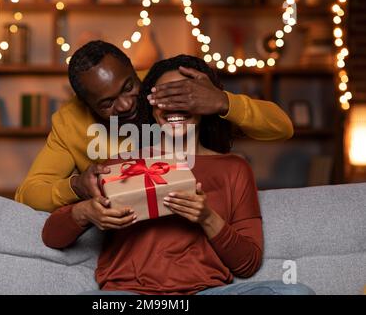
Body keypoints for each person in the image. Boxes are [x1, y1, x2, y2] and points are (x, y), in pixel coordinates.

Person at [41, 55, 314, 295]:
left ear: (206, 104)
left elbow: (248, 263)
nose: (175, 106)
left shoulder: (234, 168)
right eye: (165, 96)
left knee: (296, 293)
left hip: (206, 292)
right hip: (129, 297)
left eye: (186, 96)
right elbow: (52, 237)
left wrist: (207, 218)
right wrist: (84, 212)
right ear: (150, 104)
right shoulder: (121, 164)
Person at [15, 41, 294, 212]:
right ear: (86, 105)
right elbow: (28, 194)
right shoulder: (70, 121)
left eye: (129, 87)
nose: (125, 105)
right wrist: (77, 186)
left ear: (135, 72)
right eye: (107, 103)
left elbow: (282, 128)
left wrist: (223, 101)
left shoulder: (166, 90)